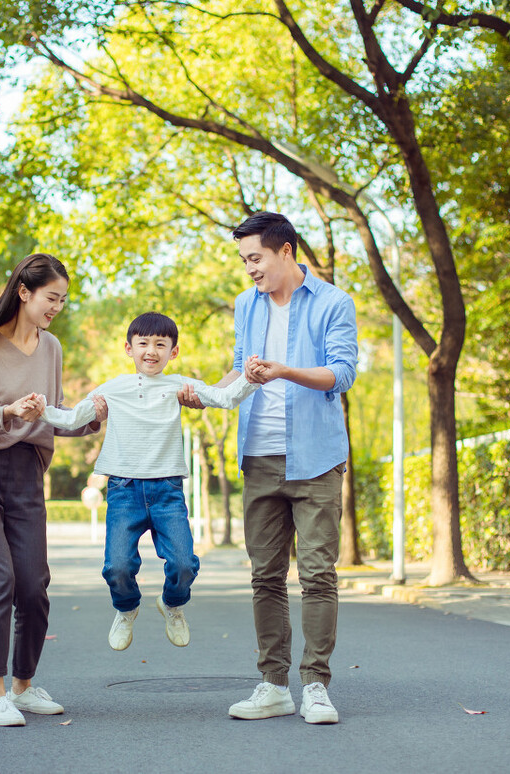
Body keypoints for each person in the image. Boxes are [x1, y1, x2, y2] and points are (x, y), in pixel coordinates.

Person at [179, 212, 357, 725]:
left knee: (319, 573)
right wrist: (208, 397)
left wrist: (284, 371)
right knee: (266, 577)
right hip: (258, 455)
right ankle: (273, 684)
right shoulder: (245, 305)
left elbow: (341, 373)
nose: (249, 269)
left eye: (255, 258)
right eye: (244, 260)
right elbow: (241, 368)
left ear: (285, 251)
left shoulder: (332, 303)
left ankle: (316, 685)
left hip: (316, 457)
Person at [0, 253, 103, 727]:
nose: (57, 306)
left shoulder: (50, 347)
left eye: (62, 300)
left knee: (33, 587)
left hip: (26, 474)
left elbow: (51, 415)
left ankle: (23, 687)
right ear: (24, 292)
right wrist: (11, 411)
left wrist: (91, 418)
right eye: (51, 297)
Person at [40, 312, 260, 652]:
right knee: (117, 566)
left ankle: (173, 604)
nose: (151, 351)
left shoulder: (180, 385)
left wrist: (251, 378)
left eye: (160, 344)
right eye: (143, 343)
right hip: (124, 491)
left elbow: (226, 399)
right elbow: (71, 419)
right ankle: (126, 609)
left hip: (166, 491)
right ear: (129, 348)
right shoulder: (112, 389)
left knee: (185, 563)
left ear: (173, 352)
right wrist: (40, 410)